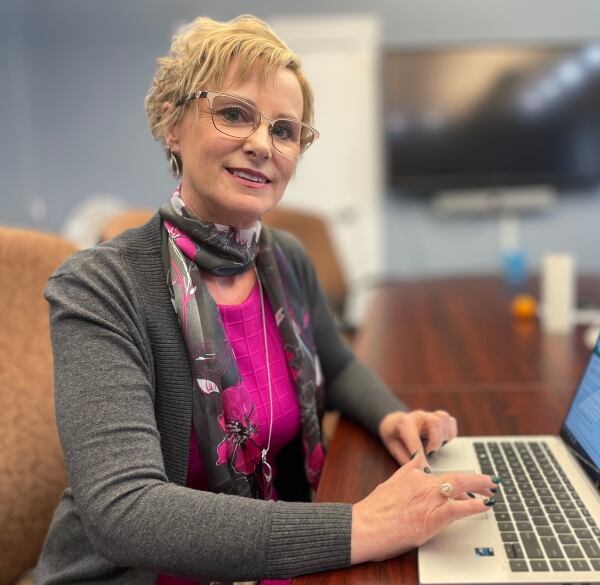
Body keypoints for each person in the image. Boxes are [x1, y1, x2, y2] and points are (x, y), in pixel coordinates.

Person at [36, 15, 498, 585]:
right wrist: (362, 526)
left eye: (284, 130)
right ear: (170, 123)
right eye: (233, 113)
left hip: (274, 552)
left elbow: (339, 361)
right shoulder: (100, 287)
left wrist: (392, 415)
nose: (261, 144)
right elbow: (123, 511)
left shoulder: (285, 259)